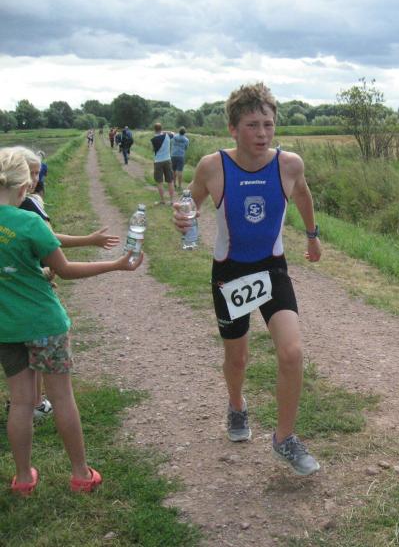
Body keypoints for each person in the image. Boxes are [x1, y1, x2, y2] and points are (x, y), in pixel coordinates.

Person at [173, 82, 322, 475]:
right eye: (252, 125)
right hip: (230, 273)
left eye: (268, 125)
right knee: (237, 358)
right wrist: (184, 219)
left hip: (272, 268)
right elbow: (190, 205)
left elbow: (303, 195)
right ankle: (237, 405)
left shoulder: (289, 164)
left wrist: (312, 235)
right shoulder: (213, 166)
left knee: (291, 352)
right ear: (233, 129)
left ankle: (284, 438)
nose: (262, 133)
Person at [0, 148, 143, 495]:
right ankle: (81, 474)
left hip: (6, 328)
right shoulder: (29, 222)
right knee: (62, 398)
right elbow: (64, 270)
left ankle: (23, 479)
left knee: (21, 402)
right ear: (24, 188)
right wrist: (115, 264)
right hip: (45, 324)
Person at [9, 146, 121, 420]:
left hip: (10, 311)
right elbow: (56, 253)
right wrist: (113, 262)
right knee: (51, 377)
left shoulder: (19, 207)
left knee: (22, 383)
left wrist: (87, 240)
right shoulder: (29, 209)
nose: (34, 179)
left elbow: (43, 239)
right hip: (37, 304)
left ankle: (31, 403)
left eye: (38, 173)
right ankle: (37, 403)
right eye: (30, 173)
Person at [151, 123, 175, 205]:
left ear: (154, 129)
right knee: (170, 181)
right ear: (161, 129)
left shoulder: (153, 139)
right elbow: (173, 133)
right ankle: (172, 200)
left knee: (159, 182)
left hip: (158, 161)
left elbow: (153, 150)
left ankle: (162, 200)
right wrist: (164, 131)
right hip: (167, 160)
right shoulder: (167, 136)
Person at [170, 127, 189, 191]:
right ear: (184, 133)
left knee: (173, 170)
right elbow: (186, 148)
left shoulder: (174, 137)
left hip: (173, 155)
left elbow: (171, 141)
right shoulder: (186, 140)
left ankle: (174, 184)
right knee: (180, 171)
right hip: (181, 156)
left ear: (179, 131)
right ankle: (180, 186)